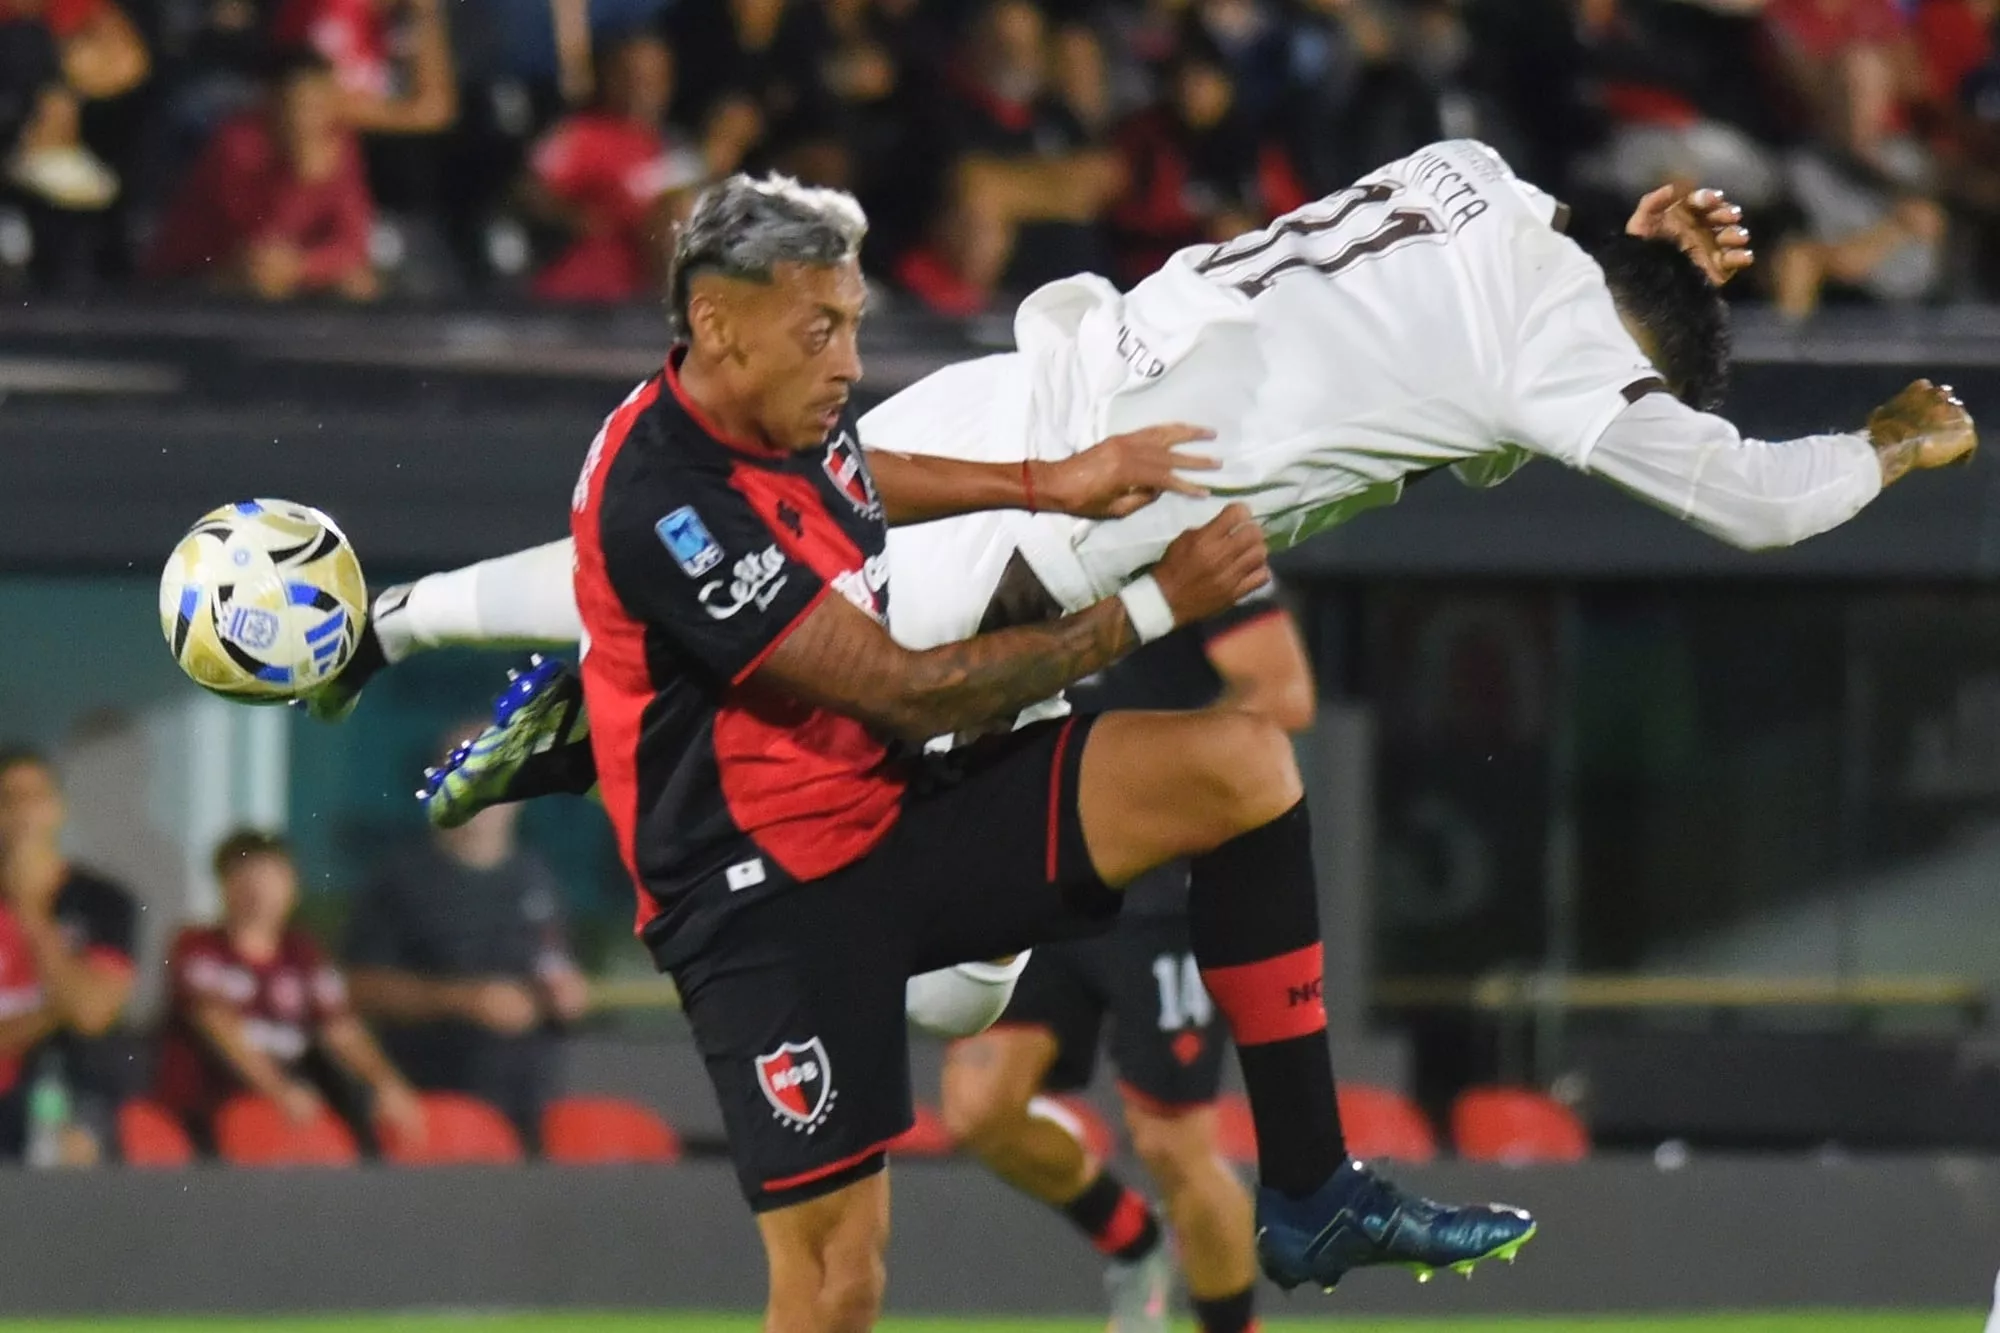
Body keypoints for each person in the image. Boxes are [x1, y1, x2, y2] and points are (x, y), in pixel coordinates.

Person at [942, 593, 1314, 1333]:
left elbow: (1282, 692)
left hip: (1164, 887)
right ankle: (1135, 1241)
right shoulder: (1008, 533)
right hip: (1045, 866)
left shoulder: (1188, 529)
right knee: (979, 1108)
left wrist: (1153, 771)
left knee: (1175, 1144)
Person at [344, 728, 590, 1151]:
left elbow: (555, 964)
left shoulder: (537, 877)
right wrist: (465, 1000)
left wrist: (569, 994)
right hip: (432, 1116)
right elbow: (358, 987)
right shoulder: (400, 879)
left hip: (530, 1114)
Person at [154, 830, 425, 1153]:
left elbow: (340, 1028)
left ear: (292, 885)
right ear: (224, 884)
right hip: (212, 1107)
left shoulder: (302, 953)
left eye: (271, 877)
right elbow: (218, 1024)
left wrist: (387, 1084)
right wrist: (277, 1089)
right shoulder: (199, 946)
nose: (259, 891)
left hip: (292, 1105)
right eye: (246, 878)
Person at [145, 50, 377, 300]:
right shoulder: (237, 145)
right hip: (195, 274)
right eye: (299, 105)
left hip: (288, 265)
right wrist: (298, 181)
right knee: (262, 280)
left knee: (357, 284)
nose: (307, 118)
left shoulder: (340, 147)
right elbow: (254, 240)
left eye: (318, 105)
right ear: (272, 102)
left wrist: (304, 265)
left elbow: (353, 243)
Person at [0, 746, 135, 1165]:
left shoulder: (102, 901)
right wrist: (54, 1009)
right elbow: (74, 1003)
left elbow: (91, 1012)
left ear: (57, 808)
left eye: (34, 798)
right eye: (7, 799)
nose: (22, 813)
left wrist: (30, 910)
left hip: (69, 1091)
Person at [522, 31, 705, 303]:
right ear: (608, 77)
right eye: (629, 76)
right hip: (581, 298)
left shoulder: (680, 149)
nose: (641, 88)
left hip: (650, 302)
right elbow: (530, 192)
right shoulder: (580, 135)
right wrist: (575, 217)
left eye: (653, 79)